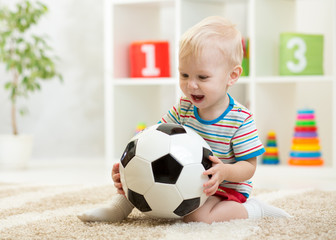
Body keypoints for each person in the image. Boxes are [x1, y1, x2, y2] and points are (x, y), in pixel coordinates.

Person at [78, 16, 291, 224]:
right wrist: (128, 169)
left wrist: (224, 171)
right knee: (145, 177)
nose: (191, 85)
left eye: (202, 77)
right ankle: (118, 208)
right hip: (183, 179)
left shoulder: (240, 119)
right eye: (184, 75)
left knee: (196, 217)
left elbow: (249, 166)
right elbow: (154, 137)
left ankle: (253, 210)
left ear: (232, 76)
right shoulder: (183, 108)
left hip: (223, 188)